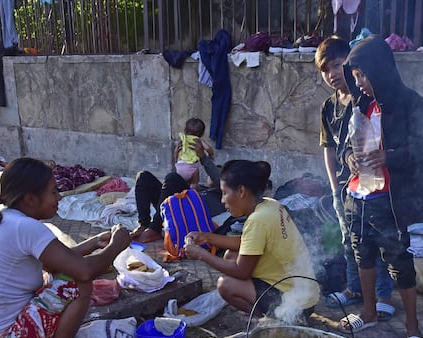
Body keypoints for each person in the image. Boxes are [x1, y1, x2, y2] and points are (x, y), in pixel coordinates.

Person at [0, 157, 131, 338]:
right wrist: (116, 246)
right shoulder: (26, 227)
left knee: (52, 277)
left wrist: (92, 243)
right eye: (54, 192)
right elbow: (83, 272)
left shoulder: (4, 219)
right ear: (31, 199)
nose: (60, 197)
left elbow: (54, 262)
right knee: (77, 284)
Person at [339, 35, 423, 338]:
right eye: (355, 77)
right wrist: (349, 160)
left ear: (380, 71)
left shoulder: (412, 104)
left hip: (391, 197)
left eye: (363, 76)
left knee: (399, 262)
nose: (360, 83)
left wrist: (389, 157)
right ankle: (369, 312)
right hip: (359, 195)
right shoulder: (360, 106)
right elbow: (345, 149)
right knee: (362, 253)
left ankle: (413, 327)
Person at [316, 35, 396, 321]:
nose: (332, 75)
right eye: (325, 70)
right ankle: (354, 290)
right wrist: (334, 186)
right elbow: (328, 148)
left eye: (337, 66)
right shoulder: (328, 106)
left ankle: (383, 295)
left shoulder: (365, 100)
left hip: (372, 185)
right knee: (350, 240)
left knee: (380, 241)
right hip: (344, 187)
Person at [184, 159, 319, 321]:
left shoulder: (258, 220)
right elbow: (247, 242)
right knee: (230, 255)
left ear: (241, 191)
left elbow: (242, 272)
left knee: (225, 285)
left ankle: (266, 321)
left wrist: (201, 255)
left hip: (294, 305)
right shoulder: (270, 204)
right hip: (306, 295)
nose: (222, 200)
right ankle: (261, 306)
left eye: (225, 193)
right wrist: (206, 237)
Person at [131, 138, 221, 243]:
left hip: (190, 211)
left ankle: (155, 228)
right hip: (174, 205)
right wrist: (177, 160)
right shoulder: (203, 187)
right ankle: (144, 225)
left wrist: (203, 156)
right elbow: (171, 186)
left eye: (219, 170)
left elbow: (218, 180)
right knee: (143, 176)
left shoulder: (220, 194)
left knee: (172, 178)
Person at [174, 117, 215, 188]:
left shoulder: (183, 140)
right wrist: (211, 155)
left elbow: (176, 152)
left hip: (180, 166)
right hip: (192, 167)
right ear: (202, 133)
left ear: (185, 130)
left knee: (179, 185)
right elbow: (208, 148)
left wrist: (176, 160)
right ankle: (193, 194)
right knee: (194, 183)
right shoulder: (198, 140)